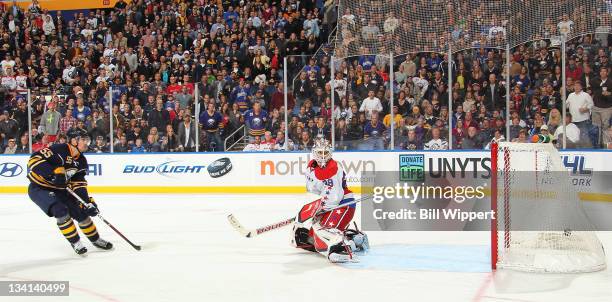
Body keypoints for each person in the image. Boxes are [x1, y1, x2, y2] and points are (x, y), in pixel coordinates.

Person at [26, 136, 112, 254]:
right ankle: (76, 243)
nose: (87, 142)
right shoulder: (59, 148)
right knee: (60, 211)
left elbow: (79, 184)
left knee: (81, 212)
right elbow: (34, 160)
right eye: (84, 139)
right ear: (74, 141)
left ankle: (96, 239)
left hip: (61, 189)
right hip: (40, 188)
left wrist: (86, 202)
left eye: (88, 140)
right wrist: (53, 174)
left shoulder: (82, 161)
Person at [290, 138, 369, 263]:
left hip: (343, 205)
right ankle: (355, 239)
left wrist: (319, 209)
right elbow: (313, 191)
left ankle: (344, 247)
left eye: (325, 153)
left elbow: (335, 196)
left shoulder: (334, 167)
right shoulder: (311, 168)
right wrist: (311, 210)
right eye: (319, 152)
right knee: (311, 237)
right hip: (328, 206)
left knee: (325, 231)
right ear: (314, 152)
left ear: (330, 153)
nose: (322, 156)